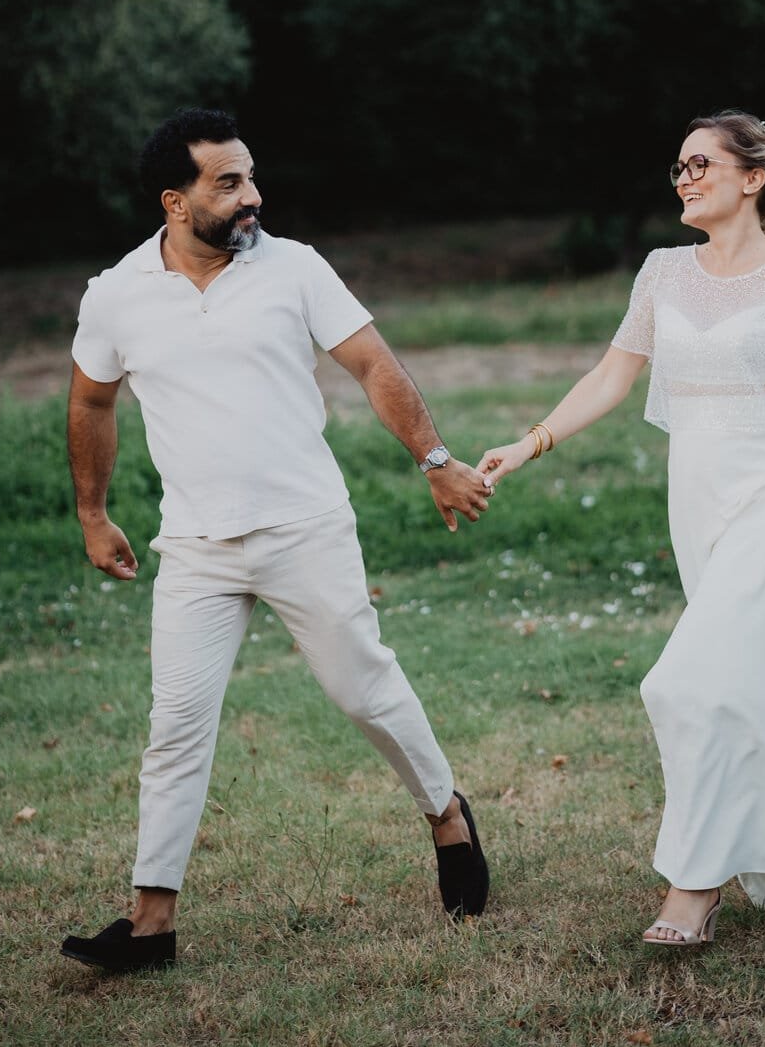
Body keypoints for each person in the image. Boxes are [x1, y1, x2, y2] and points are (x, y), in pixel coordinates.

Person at [60, 108, 490, 973]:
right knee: (176, 727)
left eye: (251, 176)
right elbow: (91, 401)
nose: (252, 195)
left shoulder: (294, 268)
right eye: (229, 182)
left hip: (305, 527)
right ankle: (150, 925)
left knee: (362, 691)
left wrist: (435, 458)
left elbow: (372, 363)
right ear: (175, 201)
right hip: (195, 546)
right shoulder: (115, 293)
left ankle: (447, 814)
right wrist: (93, 512)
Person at [477, 110, 765, 946]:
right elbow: (610, 375)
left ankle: (693, 885)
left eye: (701, 164)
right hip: (694, 501)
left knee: (689, 683)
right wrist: (529, 443)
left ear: (754, 178)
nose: (684, 178)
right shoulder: (663, 271)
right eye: (678, 167)